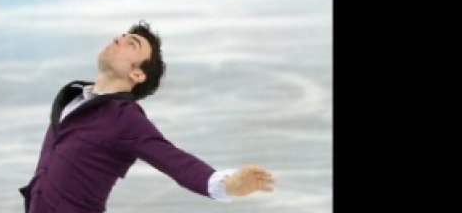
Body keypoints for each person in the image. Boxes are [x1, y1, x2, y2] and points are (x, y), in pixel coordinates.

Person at [21, 21, 274, 212]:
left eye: (132, 44)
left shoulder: (124, 118)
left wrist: (225, 183)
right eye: (122, 36)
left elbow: (173, 159)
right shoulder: (73, 99)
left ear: (137, 75)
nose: (119, 40)